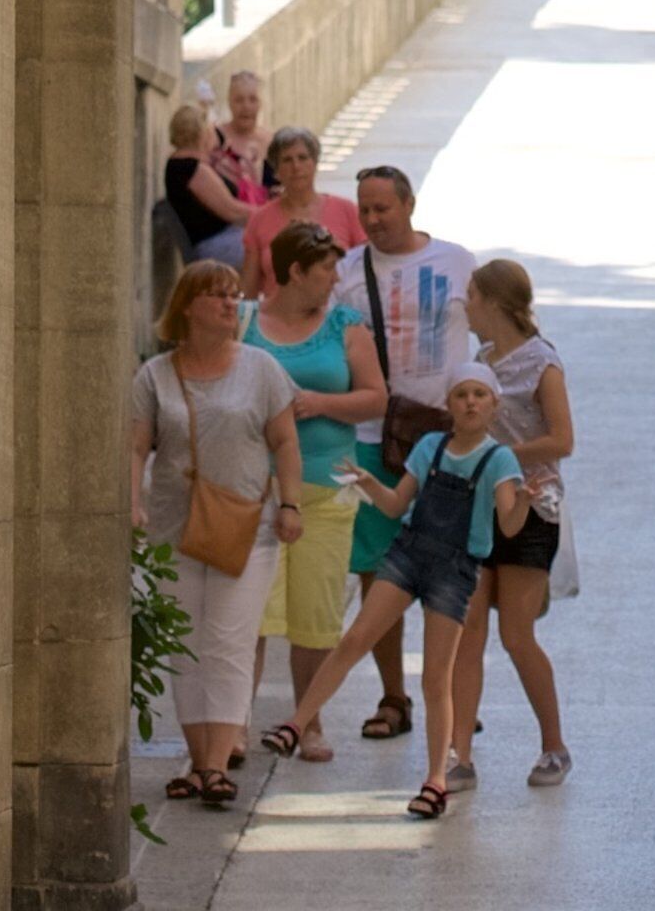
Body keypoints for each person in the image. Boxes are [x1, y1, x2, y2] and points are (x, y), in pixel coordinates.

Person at [261, 374, 528, 822]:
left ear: (494, 405)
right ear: (449, 404)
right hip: (409, 554)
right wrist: (366, 481)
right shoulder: (430, 448)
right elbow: (393, 505)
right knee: (355, 639)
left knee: (434, 678)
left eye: (479, 395)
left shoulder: (501, 461)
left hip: (455, 571)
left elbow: (510, 524)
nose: (470, 403)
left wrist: (522, 503)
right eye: (462, 395)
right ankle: (296, 723)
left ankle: (435, 780)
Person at [129, 259, 306, 812]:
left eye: (235, 295)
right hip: (172, 527)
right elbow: (136, 448)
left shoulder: (261, 369)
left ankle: (213, 764)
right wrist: (132, 501)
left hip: (244, 526)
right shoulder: (155, 375)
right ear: (187, 305)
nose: (233, 305)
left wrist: (292, 503)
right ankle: (199, 755)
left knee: (229, 640)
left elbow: (285, 443)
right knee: (185, 643)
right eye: (219, 296)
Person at [332, 164, 477, 745]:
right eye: (364, 210)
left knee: (453, 571)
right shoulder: (347, 272)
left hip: (446, 439)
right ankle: (393, 694)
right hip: (373, 440)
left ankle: (452, 693)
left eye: (382, 209)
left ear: (409, 204)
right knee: (377, 570)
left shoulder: (456, 261)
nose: (372, 220)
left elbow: (492, 331)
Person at [245, 220, 383, 759]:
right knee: (250, 612)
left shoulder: (347, 327)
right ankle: (234, 724)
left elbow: (377, 399)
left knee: (316, 613)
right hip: (255, 488)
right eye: (326, 268)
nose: (335, 278)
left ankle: (309, 722)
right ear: (295, 271)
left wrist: (317, 403)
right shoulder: (245, 322)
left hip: (327, 486)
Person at [451, 258, 573, 788]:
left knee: (516, 633)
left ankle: (554, 746)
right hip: (478, 507)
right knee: (467, 631)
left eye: (472, 297)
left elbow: (562, 440)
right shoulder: (480, 361)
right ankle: (459, 756)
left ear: (494, 303)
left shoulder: (541, 362)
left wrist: (503, 458)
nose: (466, 307)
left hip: (530, 507)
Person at [235, 126, 365, 292]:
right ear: (276, 170)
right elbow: (248, 292)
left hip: (340, 313)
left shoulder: (347, 210)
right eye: (287, 160)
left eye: (303, 158)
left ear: (315, 163)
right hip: (280, 315)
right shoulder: (259, 220)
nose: (296, 166)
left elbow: (366, 274)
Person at [161, 100, 263, 273]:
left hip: (222, 240)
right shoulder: (191, 168)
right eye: (210, 128)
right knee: (277, 248)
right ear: (202, 133)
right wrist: (273, 214)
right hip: (216, 246)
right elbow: (232, 211)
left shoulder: (187, 164)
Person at [210, 69, 272, 207]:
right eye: (239, 100)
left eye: (253, 99)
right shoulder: (214, 137)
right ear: (229, 102)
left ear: (261, 103)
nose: (246, 107)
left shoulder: (271, 141)